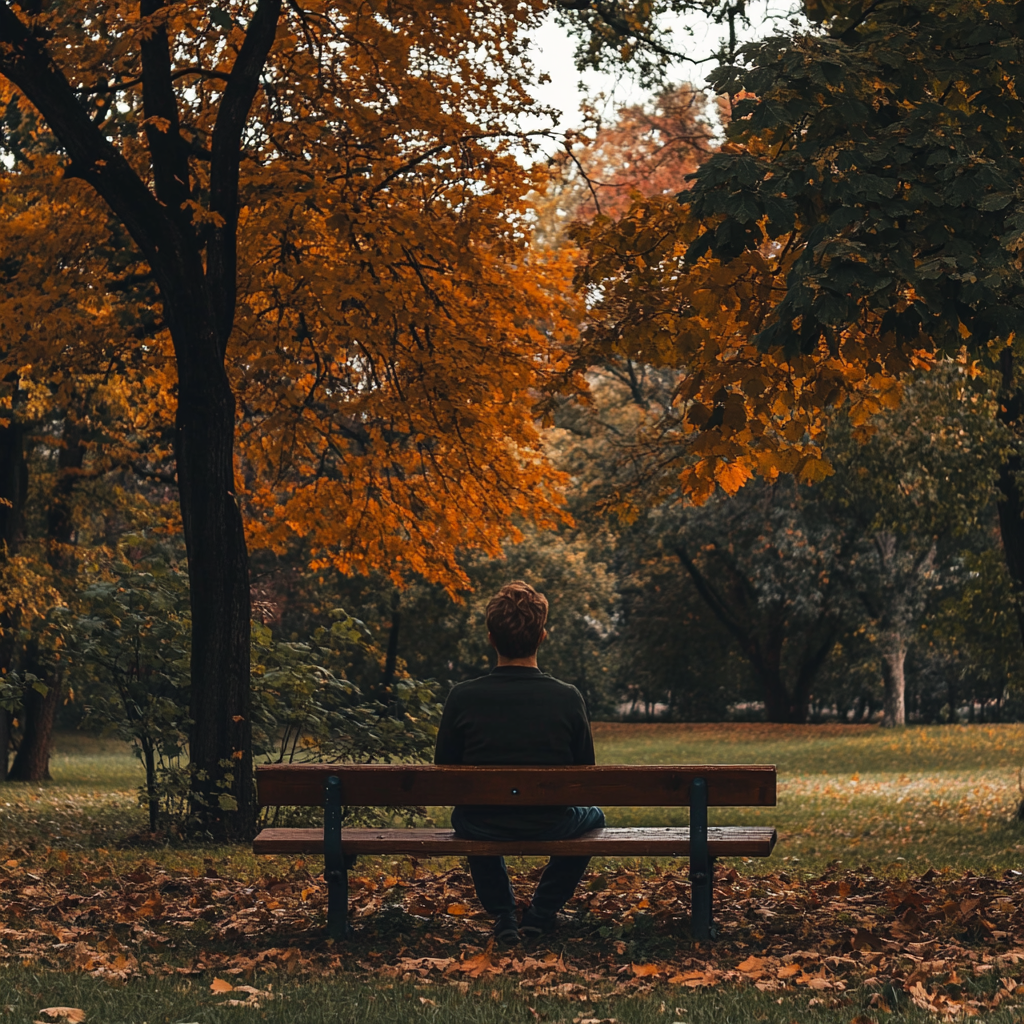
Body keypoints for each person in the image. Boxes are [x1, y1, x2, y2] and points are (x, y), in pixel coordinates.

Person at [434, 580, 605, 943]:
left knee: (468, 812)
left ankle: (502, 914)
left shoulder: (462, 697)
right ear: (542, 636)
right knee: (595, 816)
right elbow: (583, 773)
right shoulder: (567, 697)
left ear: (491, 638)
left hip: (482, 821)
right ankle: (541, 912)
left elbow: (445, 768)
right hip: (550, 821)